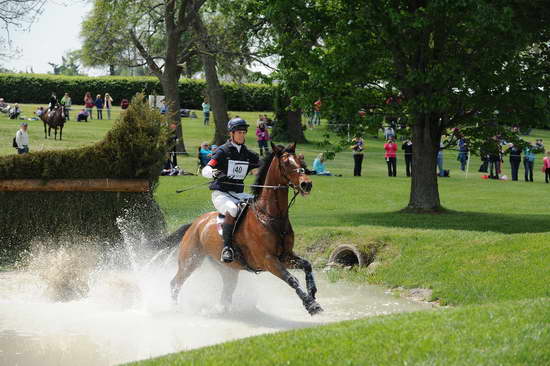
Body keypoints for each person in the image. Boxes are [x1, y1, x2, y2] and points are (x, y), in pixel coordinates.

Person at [201, 117, 260, 263]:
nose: (242, 135)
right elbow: (206, 169)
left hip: (239, 194)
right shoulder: (223, 151)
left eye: (243, 132)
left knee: (260, 205)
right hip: (221, 194)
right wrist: (212, 173)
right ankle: (227, 248)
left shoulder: (248, 153)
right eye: (239, 132)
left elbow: (263, 166)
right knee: (233, 209)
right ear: (231, 134)